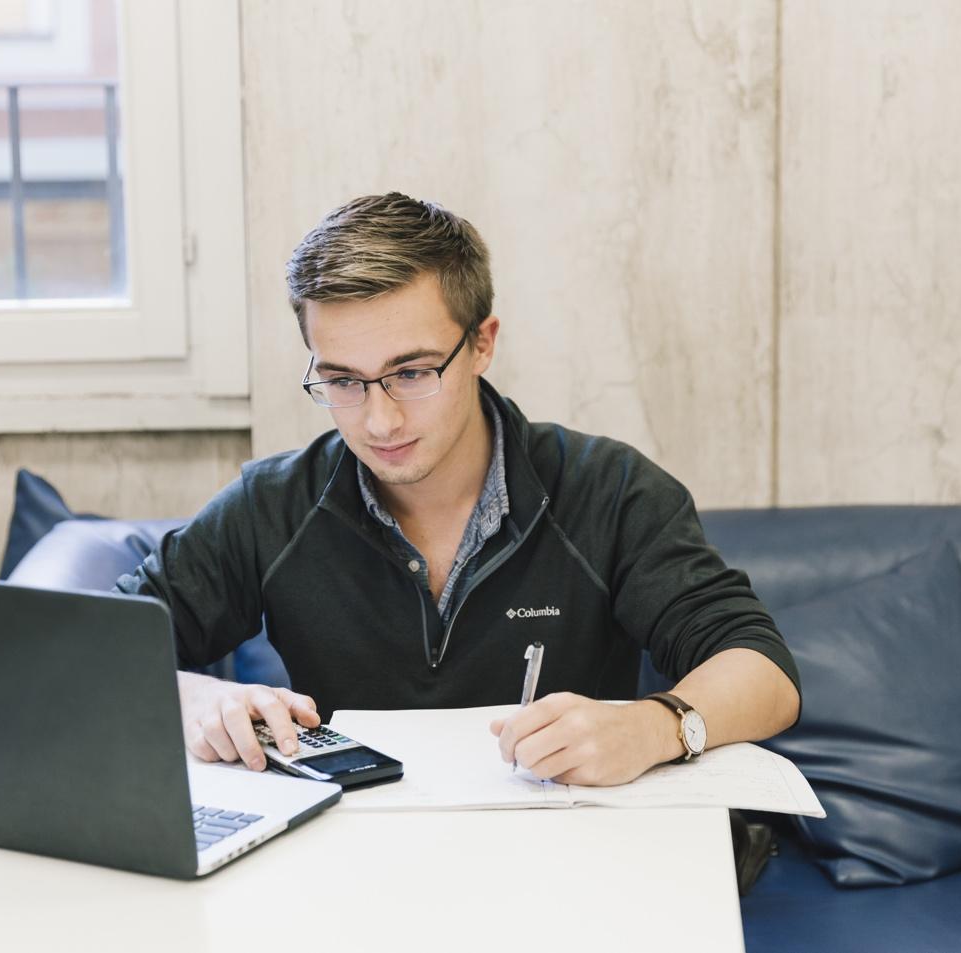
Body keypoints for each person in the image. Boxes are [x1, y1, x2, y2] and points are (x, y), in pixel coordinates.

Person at [117, 192, 800, 786]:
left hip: (564, 855)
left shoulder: (608, 490)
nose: (379, 420)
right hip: (352, 865)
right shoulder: (273, 505)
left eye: (412, 372)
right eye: (343, 381)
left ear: (482, 344)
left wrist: (655, 727)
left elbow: (763, 671)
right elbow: (96, 651)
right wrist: (197, 698)